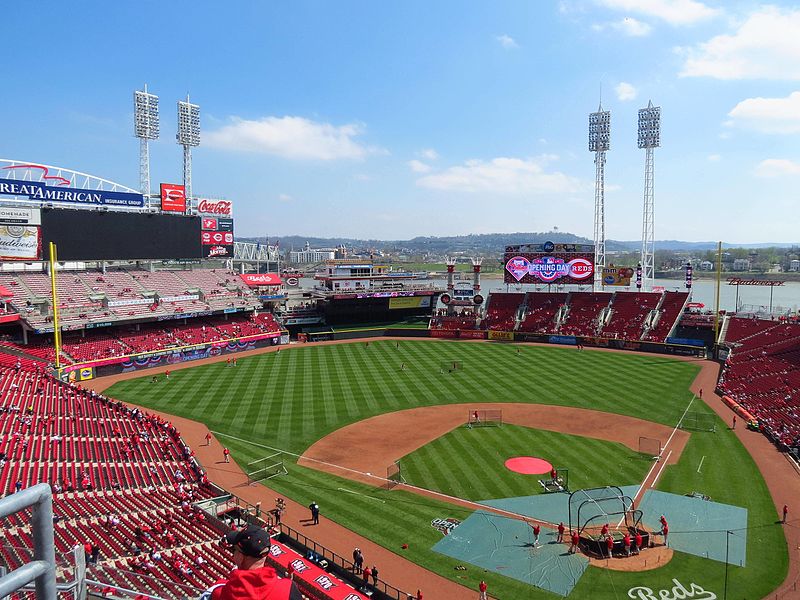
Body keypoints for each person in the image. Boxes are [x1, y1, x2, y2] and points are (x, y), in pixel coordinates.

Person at [209, 525, 302, 600]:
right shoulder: (289, 589)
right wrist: (288, 581)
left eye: (235, 550)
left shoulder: (219, 593)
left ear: (240, 557)